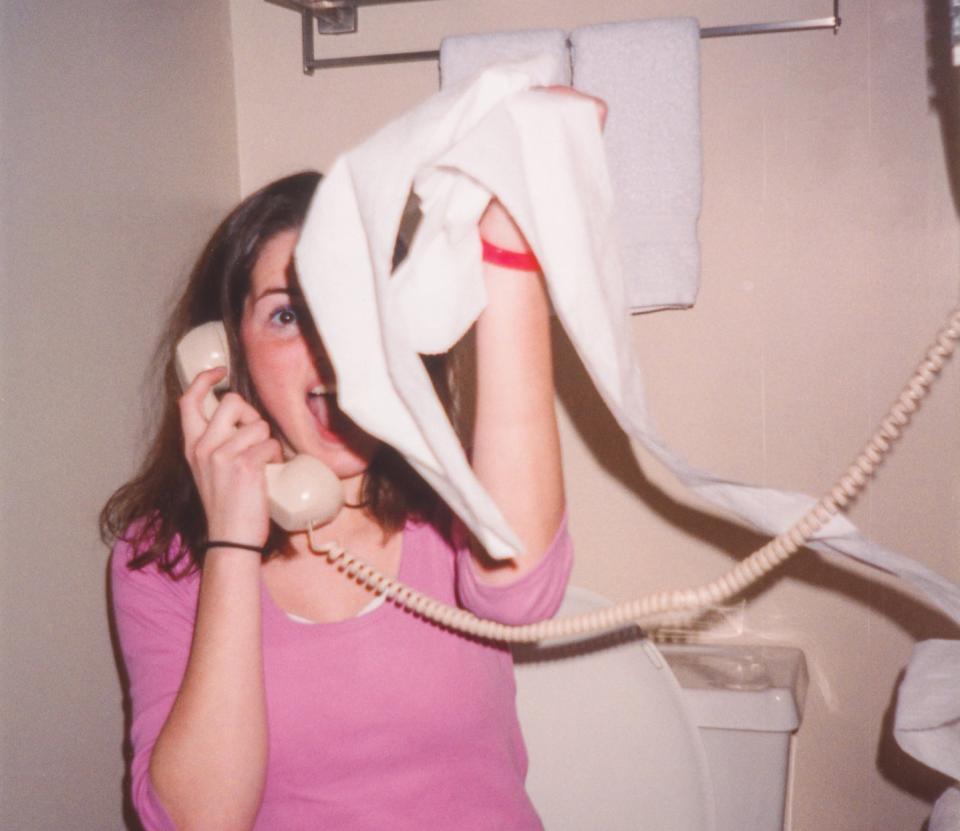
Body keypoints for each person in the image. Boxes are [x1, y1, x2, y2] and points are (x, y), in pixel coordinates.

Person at [103, 89, 602, 830]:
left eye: (356, 300)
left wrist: (508, 248)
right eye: (287, 313)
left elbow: (519, 595)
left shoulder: (452, 501)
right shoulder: (159, 557)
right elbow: (202, 819)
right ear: (224, 356)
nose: (332, 339)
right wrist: (232, 541)